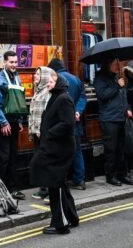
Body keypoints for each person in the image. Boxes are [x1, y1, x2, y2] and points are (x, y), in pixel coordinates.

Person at [30, 70, 79, 235]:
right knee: (60, 185)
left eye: (51, 82)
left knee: (55, 185)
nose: (48, 84)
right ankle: (71, 217)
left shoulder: (63, 98)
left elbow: (67, 123)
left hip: (60, 148)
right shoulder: (55, 97)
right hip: (54, 147)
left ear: (58, 84)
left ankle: (61, 224)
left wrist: (49, 133)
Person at [0, 50, 26, 199]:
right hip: (2, 123)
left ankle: (13, 188)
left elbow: (19, 102)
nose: (14, 65)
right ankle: (1, 189)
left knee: (13, 156)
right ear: (4, 62)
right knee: (4, 156)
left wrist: (19, 120)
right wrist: (3, 123)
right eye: (11, 62)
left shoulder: (17, 78)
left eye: (16, 62)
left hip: (14, 122)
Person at [93, 58, 133, 186]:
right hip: (109, 118)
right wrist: (117, 85)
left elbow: (123, 95)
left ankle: (122, 174)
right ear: (107, 64)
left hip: (120, 117)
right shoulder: (100, 78)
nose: (118, 66)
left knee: (121, 148)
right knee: (111, 149)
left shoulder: (116, 76)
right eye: (114, 64)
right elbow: (102, 95)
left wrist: (127, 108)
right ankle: (111, 176)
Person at [48, 58, 88, 190]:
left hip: (60, 123)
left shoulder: (54, 80)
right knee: (76, 151)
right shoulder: (76, 79)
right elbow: (83, 97)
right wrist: (77, 111)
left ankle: (61, 181)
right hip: (74, 122)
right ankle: (79, 180)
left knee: (60, 153)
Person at [29, 66, 56, 201]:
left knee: (45, 161)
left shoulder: (47, 92)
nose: (35, 76)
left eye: (38, 74)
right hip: (36, 133)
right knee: (40, 161)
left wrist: (40, 129)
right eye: (35, 73)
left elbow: (46, 113)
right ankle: (44, 189)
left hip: (42, 133)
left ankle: (48, 190)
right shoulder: (38, 90)